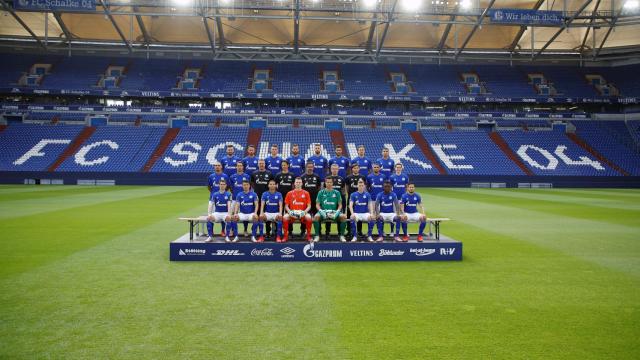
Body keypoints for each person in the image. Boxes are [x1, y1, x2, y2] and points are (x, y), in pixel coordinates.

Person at [313, 177, 347, 242]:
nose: (329, 183)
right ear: (325, 183)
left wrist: (337, 212)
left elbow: (340, 205)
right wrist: (321, 211)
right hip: (323, 212)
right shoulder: (321, 192)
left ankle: (341, 235)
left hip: (334, 212)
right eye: (327, 182)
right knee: (316, 217)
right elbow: (317, 204)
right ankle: (317, 236)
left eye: (330, 182)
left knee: (343, 217)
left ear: (332, 183)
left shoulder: (337, 192)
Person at [282, 177, 313, 242]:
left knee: (309, 218)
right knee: (284, 217)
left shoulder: (306, 193)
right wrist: (290, 212)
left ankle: (308, 236)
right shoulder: (289, 193)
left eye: (299, 182)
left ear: (302, 184)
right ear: (294, 184)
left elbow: (309, 206)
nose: (298, 183)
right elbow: (286, 206)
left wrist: (304, 212)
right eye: (297, 182)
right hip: (292, 212)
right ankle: (285, 236)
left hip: (303, 212)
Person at [251, 159, 274, 235]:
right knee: (257, 214)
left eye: (262, 163)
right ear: (258, 164)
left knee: (267, 214)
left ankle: (268, 232)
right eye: (260, 163)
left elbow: (272, 185)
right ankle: (256, 232)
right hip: (257, 198)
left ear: (265, 164)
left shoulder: (269, 173)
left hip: (267, 198)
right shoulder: (254, 173)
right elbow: (252, 184)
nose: (261, 164)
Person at [345, 163, 368, 236]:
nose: (355, 169)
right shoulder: (348, 177)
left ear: (359, 169)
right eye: (354, 168)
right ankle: (349, 231)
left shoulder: (362, 177)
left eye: (357, 168)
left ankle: (359, 231)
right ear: (352, 169)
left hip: (360, 198)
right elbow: (347, 188)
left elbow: (364, 187)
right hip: (351, 198)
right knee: (349, 215)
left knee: (359, 214)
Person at [207, 162, 230, 236]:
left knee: (223, 214)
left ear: (221, 167)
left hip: (223, 198)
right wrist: (214, 193)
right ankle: (211, 232)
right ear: (214, 167)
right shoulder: (211, 176)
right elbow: (209, 187)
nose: (217, 167)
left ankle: (223, 231)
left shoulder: (225, 176)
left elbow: (228, 186)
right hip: (212, 199)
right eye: (216, 165)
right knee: (211, 215)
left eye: (218, 165)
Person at [300, 161, 321, 237]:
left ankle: (318, 232)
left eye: (311, 167)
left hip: (315, 200)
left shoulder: (317, 176)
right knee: (304, 216)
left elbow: (319, 188)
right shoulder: (302, 177)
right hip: (305, 201)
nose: (310, 168)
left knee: (316, 216)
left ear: (313, 167)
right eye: (308, 167)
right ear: (306, 167)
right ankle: (303, 231)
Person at [230, 161, 252, 236]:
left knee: (245, 213)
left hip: (244, 199)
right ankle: (232, 230)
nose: (239, 167)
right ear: (236, 167)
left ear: (243, 167)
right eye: (238, 166)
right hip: (234, 199)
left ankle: (245, 230)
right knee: (233, 214)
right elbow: (231, 188)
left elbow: (249, 187)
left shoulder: (247, 176)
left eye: (241, 166)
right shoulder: (232, 176)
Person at [326, 163, 346, 235]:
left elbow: (343, 190)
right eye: (333, 169)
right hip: (329, 201)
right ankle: (327, 232)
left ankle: (339, 232)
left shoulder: (341, 179)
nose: (334, 170)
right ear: (331, 169)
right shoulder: (328, 178)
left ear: (338, 170)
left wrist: (342, 200)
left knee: (338, 216)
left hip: (338, 201)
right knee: (328, 216)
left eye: (336, 169)